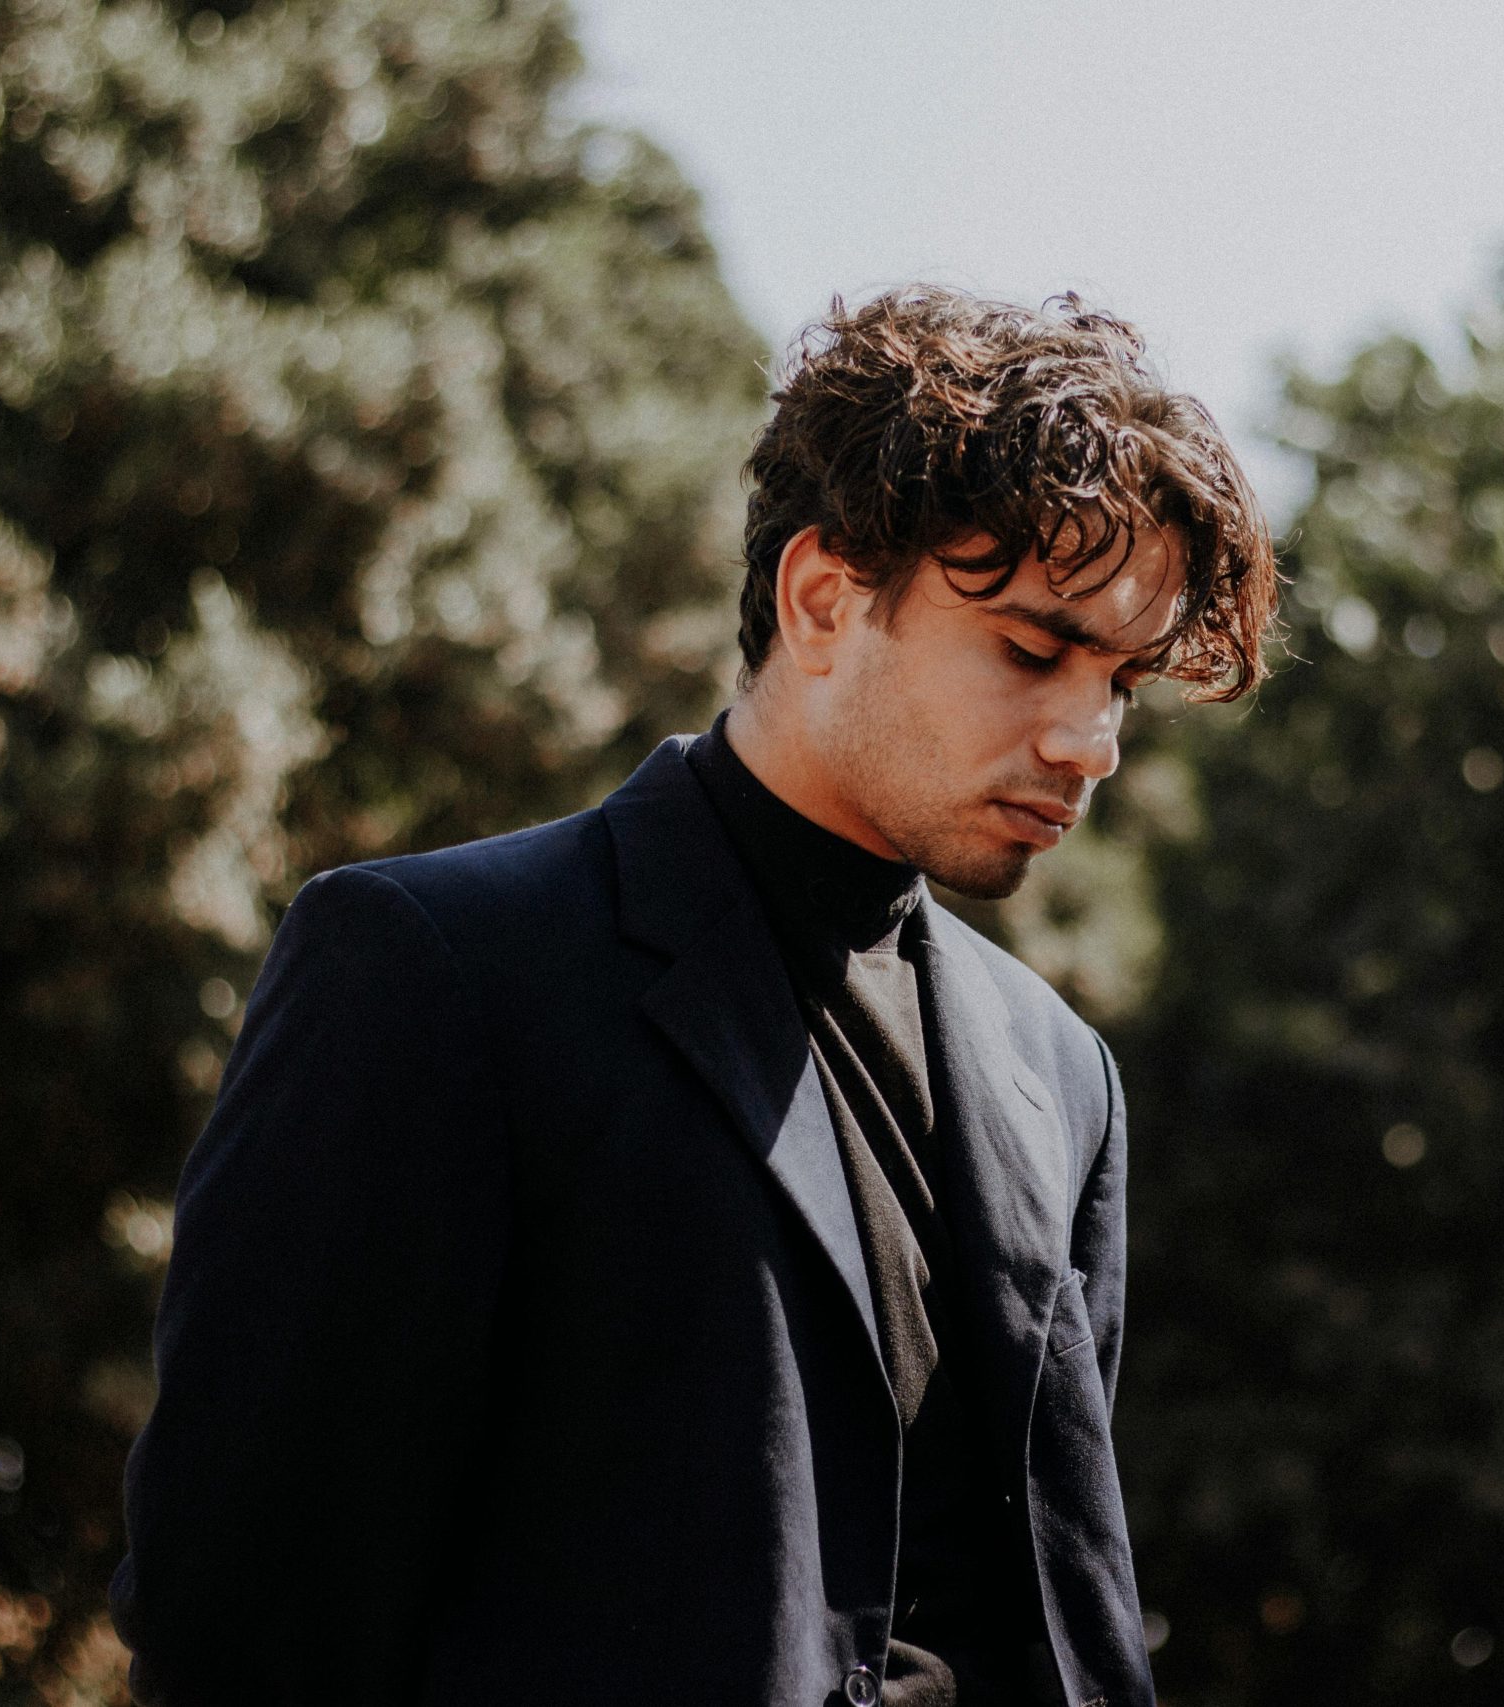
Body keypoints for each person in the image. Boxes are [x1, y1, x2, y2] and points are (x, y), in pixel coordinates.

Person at [108, 285, 1279, 1706]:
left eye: (1125, 683)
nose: (1092, 741)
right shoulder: (434, 966)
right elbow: (240, 1613)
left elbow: (1053, 1600)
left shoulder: (1063, 1072)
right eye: (1034, 651)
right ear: (823, 600)